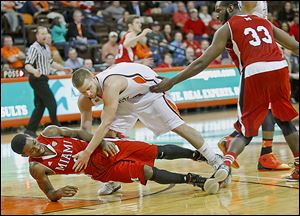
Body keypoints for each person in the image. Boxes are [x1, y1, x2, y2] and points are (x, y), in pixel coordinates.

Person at [150, 1, 299, 182]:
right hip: (280, 67)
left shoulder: (226, 28)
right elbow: (295, 46)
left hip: (255, 71)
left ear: (230, 8)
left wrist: (172, 81)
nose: (216, 15)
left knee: (245, 129)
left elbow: (201, 62)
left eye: (219, 10)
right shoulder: (264, 22)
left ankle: (225, 165)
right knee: (285, 122)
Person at [72, 63, 228, 189]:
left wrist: (87, 152)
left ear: (93, 78)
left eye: (89, 88)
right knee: (106, 139)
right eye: (83, 92)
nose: (89, 94)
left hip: (148, 91)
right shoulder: (84, 100)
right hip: (123, 100)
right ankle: (112, 180)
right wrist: (85, 149)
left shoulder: (110, 85)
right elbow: (85, 130)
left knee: (178, 126)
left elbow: (105, 122)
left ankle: (216, 160)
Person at [10, 125, 220, 202]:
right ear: (25, 155)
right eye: (32, 150)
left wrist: (100, 142)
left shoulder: (50, 132)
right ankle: (195, 180)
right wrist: (59, 192)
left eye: (34, 143)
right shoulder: (36, 167)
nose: (37, 147)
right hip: (100, 169)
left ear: (35, 137)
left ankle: (200, 156)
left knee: (156, 150)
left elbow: (78, 133)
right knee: (146, 171)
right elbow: (50, 195)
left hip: (105, 147)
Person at [218, 1, 291, 171]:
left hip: (256, 55)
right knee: (264, 111)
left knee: (267, 108)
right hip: (256, 57)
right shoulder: (243, 16)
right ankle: (244, 145)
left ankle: (263, 152)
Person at [24, 26, 73, 138]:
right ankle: (57, 128)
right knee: (51, 103)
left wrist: (63, 68)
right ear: (37, 35)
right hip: (37, 78)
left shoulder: (46, 47)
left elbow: (49, 62)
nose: (44, 35)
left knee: (40, 106)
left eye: (45, 33)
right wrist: (34, 71)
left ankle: (30, 130)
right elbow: (27, 64)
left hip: (43, 78)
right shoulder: (34, 48)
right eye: (41, 33)